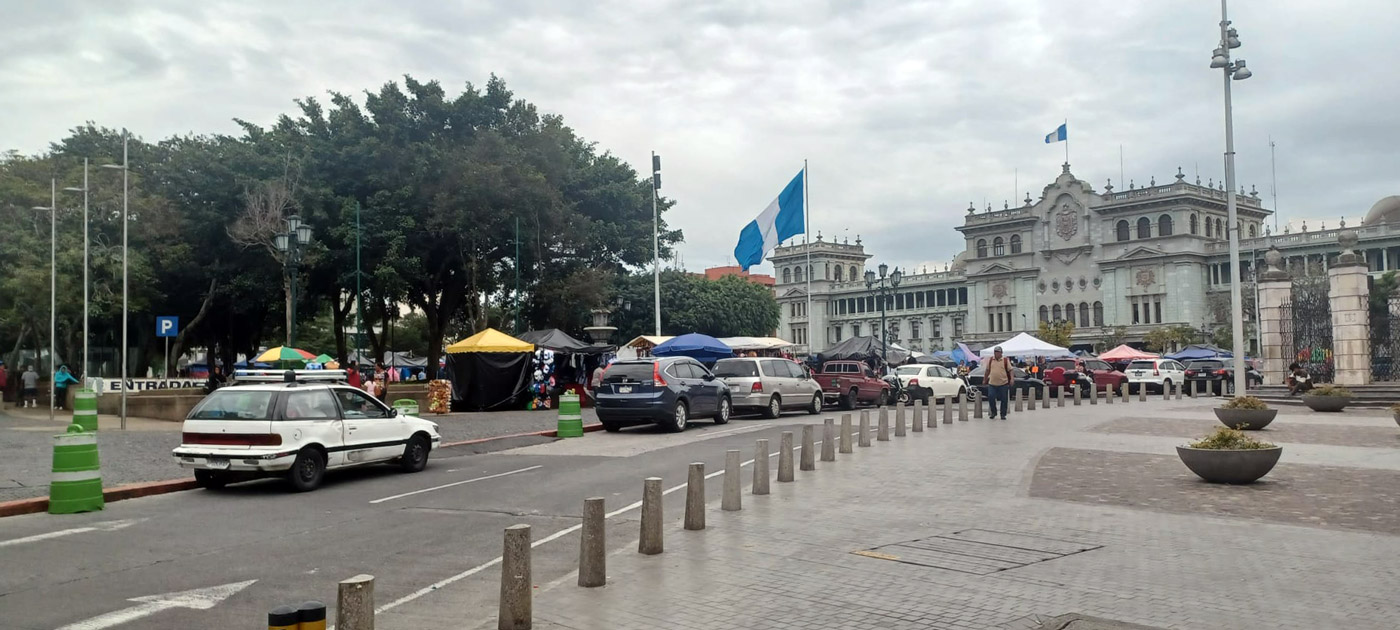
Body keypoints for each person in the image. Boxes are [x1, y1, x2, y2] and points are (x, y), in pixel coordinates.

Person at [984, 347, 1014, 420]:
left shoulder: (1005, 360)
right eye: (995, 352)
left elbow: (1011, 370)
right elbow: (987, 370)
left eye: (998, 352)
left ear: (1001, 353)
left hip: (1003, 383)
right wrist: (984, 379)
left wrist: (1012, 379)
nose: (996, 353)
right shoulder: (991, 360)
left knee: (1004, 399)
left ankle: (1003, 414)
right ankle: (993, 412)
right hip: (992, 383)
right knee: (991, 397)